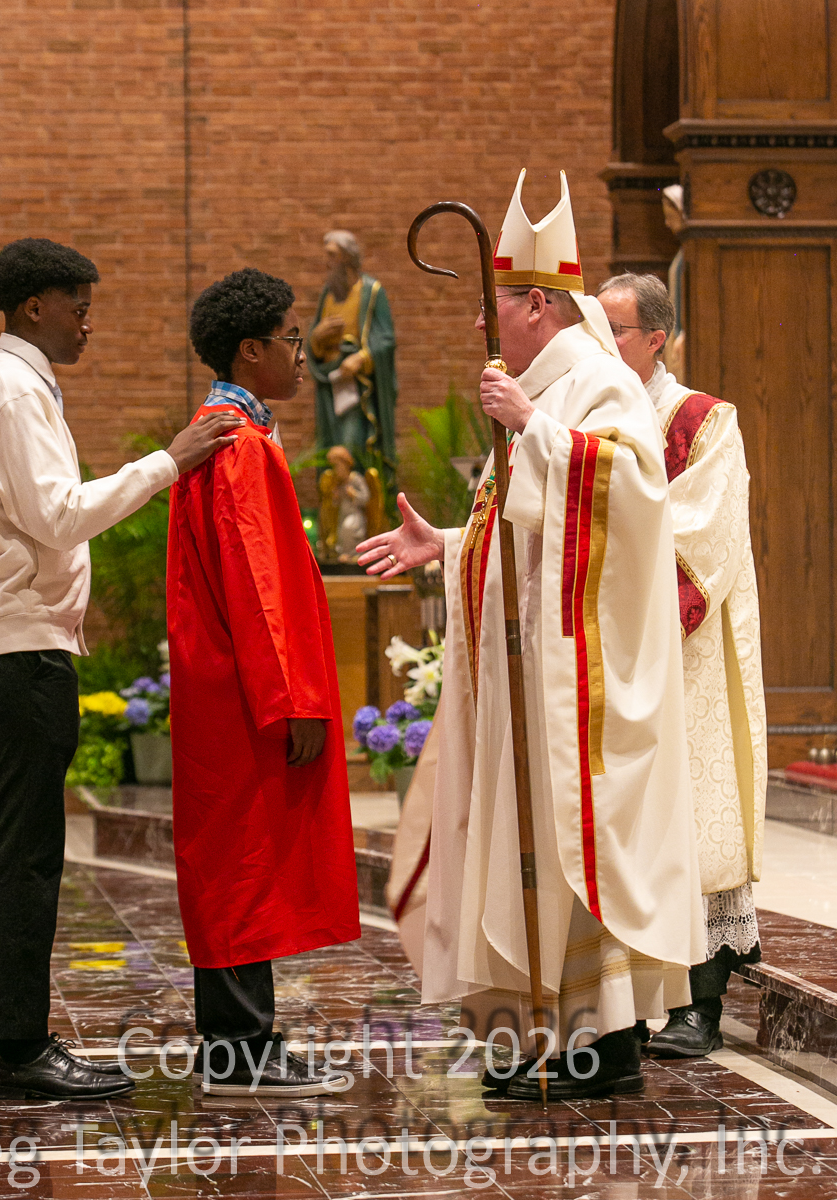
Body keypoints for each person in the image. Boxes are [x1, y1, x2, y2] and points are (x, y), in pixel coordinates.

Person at [359, 171, 706, 1101]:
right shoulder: (540, 386)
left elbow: (634, 493)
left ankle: (605, 1042)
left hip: (579, 683)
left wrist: (536, 434)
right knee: (533, 847)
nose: (481, 321)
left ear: (539, 305)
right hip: (528, 672)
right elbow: (518, 530)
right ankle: (553, 1029)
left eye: (494, 304)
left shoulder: (597, 384)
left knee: (575, 844)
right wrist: (449, 541)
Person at [0, 238, 242, 1100]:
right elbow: (60, 516)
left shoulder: (18, 383)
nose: (88, 322)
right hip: (17, 640)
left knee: (30, 845)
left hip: (23, 635)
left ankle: (21, 1042)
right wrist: (169, 461)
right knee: (29, 851)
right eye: (79, 306)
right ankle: (21, 1049)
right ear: (35, 306)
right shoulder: (12, 389)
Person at [168, 267, 361, 1096]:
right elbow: (257, 584)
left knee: (236, 861)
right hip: (246, 692)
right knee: (243, 863)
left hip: (227, 683)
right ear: (250, 351)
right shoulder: (236, 445)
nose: (301, 354)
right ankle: (239, 1049)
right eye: (290, 338)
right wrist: (295, 698)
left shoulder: (225, 432)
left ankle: (238, 1041)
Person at [596, 271, 767, 1056]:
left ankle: (701, 1002)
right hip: (608, 649)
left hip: (681, 647)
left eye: (614, 331)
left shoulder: (702, 419)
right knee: (626, 824)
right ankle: (627, 995)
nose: (601, 344)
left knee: (696, 813)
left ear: (655, 338)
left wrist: (632, 607)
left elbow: (704, 530)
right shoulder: (592, 418)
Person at [306, 231, 398, 493]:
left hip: (359, 389)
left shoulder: (371, 291)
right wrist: (316, 339)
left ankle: (358, 501)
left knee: (353, 445)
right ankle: (334, 507)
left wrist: (362, 357)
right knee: (330, 445)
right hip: (330, 383)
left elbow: (386, 339)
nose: (327, 262)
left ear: (347, 257)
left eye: (332, 255)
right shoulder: (329, 293)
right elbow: (314, 339)